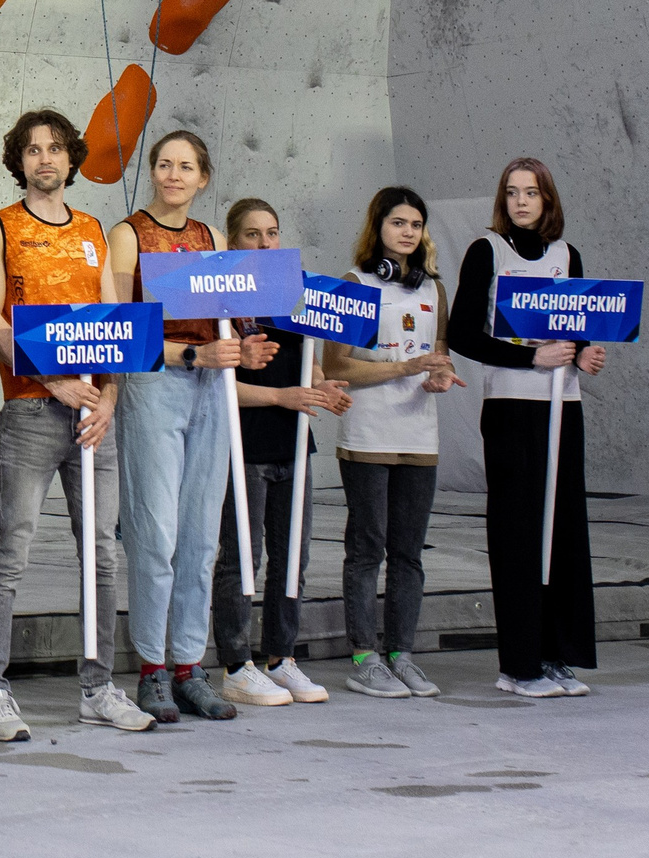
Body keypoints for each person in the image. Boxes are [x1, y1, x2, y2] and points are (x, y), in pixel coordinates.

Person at [0, 108, 155, 740]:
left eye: (55, 149)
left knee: (101, 554)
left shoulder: (93, 229)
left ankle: (98, 686)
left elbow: (115, 323)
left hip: (91, 417)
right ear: (17, 161)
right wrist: (51, 379)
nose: (44, 159)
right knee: (11, 550)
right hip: (30, 409)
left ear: (72, 159)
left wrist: (107, 397)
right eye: (32, 150)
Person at [105, 130, 270, 724]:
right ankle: (151, 668)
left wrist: (243, 354)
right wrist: (191, 355)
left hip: (209, 390)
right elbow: (121, 329)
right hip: (157, 384)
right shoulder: (128, 235)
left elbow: (228, 326)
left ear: (203, 178)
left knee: (202, 538)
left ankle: (187, 666)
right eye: (165, 164)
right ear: (153, 172)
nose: (174, 174)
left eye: (187, 166)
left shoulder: (212, 238)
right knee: (156, 536)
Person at [445, 156, 604, 699]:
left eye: (530, 192)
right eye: (511, 192)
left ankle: (557, 654)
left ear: (547, 200)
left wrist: (584, 354)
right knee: (517, 531)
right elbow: (463, 333)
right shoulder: (486, 252)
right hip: (512, 406)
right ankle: (519, 665)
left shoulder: (568, 255)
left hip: (565, 406)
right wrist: (528, 361)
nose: (520, 201)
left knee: (563, 528)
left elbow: (578, 325)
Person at [211, 198, 349, 708]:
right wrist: (278, 396)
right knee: (240, 560)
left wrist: (321, 386)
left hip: (294, 442)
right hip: (244, 443)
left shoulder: (296, 292)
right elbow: (221, 387)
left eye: (272, 233)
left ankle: (281, 656)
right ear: (232, 241)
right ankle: (236, 663)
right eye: (252, 234)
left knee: (293, 557)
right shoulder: (221, 300)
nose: (265, 243)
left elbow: (305, 365)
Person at [320, 187, 456, 699]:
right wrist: (402, 366)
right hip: (369, 434)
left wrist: (439, 374)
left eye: (415, 224)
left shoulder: (434, 290)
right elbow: (337, 366)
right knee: (366, 548)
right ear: (377, 227)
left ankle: (402, 653)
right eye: (397, 222)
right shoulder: (353, 285)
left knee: (408, 553)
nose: (406, 232)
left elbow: (438, 354)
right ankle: (364, 657)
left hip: (419, 434)